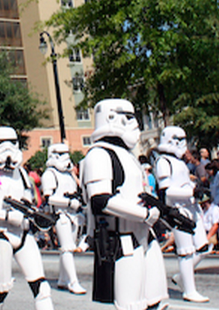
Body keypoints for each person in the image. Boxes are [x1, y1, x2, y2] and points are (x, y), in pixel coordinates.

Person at [82, 100, 169, 310]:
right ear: (111, 117)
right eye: (128, 117)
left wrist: (156, 211)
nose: (134, 123)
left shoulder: (127, 156)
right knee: (132, 305)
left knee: (155, 300)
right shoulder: (99, 154)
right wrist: (144, 215)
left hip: (144, 236)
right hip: (121, 241)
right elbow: (100, 200)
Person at [0, 126, 55, 310]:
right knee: (1, 290)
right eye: (0, 143)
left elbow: (28, 199)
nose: (7, 147)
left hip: (23, 233)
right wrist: (6, 216)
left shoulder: (21, 173)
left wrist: (31, 212)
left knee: (42, 287)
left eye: (12, 142)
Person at [155, 126, 209, 303]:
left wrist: (195, 190)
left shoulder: (177, 162)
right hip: (178, 209)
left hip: (191, 208)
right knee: (186, 251)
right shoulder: (164, 162)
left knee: (203, 248)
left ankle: (182, 277)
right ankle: (189, 290)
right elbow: (166, 192)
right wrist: (191, 193)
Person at [40, 143, 86, 295]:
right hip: (61, 214)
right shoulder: (49, 174)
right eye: (61, 153)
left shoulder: (67, 174)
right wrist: (67, 202)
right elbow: (49, 198)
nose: (65, 156)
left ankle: (63, 278)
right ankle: (73, 281)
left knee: (68, 249)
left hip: (73, 213)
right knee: (67, 248)